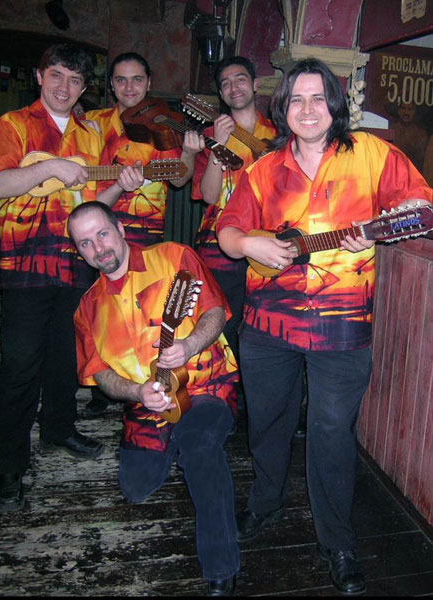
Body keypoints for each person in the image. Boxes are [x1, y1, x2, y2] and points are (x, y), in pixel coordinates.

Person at [216, 58, 432, 595]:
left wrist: (379, 230)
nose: (308, 109)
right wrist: (251, 243)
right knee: (268, 423)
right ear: (283, 109)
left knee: (333, 434)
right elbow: (227, 231)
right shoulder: (262, 169)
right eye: (297, 99)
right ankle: (266, 501)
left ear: (334, 105)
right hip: (267, 324)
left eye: (318, 98)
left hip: (342, 324)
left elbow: (421, 206)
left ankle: (337, 539)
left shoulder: (373, 154)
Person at [0, 43, 142, 513]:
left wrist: (121, 186)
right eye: (56, 75)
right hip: (27, 263)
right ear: (39, 76)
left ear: (84, 87)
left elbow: (95, 203)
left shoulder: (91, 133)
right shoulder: (13, 124)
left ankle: (58, 428)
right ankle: (8, 466)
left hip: (77, 261)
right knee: (18, 365)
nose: (64, 87)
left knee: (65, 356)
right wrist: (50, 167)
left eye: (74, 80)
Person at [68, 201, 239, 596]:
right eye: (85, 243)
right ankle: (171, 438)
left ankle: (221, 566)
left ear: (121, 229)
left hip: (204, 386)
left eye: (102, 234)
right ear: (79, 252)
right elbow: (102, 376)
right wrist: (137, 392)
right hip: (146, 404)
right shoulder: (87, 309)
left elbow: (215, 312)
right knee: (135, 487)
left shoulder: (174, 258)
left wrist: (189, 345)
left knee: (200, 449)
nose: (98, 248)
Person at [84, 51, 204, 416]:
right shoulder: (92, 124)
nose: (129, 87)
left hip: (146, 235)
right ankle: (104, 390)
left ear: (149, 83)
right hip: (96, 238)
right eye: (121, 80)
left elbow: (180, 179)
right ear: (111, 85)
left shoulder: (161, 125)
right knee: (104, 313)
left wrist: (188, 154)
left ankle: (144, 385)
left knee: (142, 314)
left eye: (137, 79)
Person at [191, 56, 276, 362]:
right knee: (222, 328)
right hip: (218, 247)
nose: (233, 87)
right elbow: (209, 196)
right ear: (221, 94)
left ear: (255, 85)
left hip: (267, 241)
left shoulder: (279, 135)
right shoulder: (211, 135)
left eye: (240, 79)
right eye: (225, 83)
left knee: (261, 329)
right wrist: (218, 144)